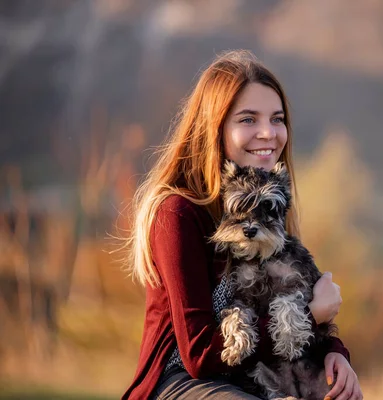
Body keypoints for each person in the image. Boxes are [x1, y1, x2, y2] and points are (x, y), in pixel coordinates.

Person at [121, 50, 363, 400]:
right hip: (182, 382)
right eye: (248, 119)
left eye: (277, 119)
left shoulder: (268, 207)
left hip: (252, 375)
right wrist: (311, 315)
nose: (268, 133)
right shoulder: (178, 213)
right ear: (214, 127)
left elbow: (282, 297)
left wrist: (335, 354)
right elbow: (200, 355)